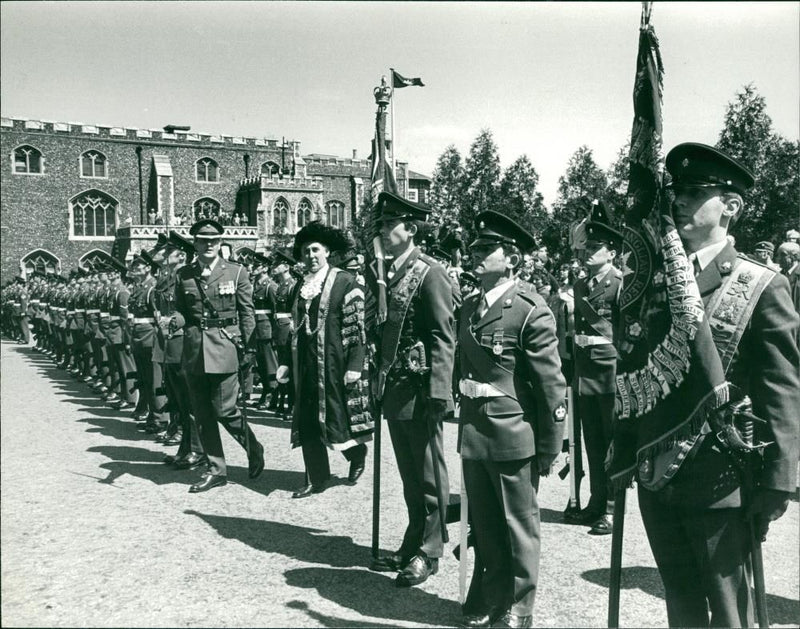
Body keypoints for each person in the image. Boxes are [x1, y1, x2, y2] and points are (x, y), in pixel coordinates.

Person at [636, 143, 799, 627]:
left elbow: (782, 388)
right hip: (658, 470)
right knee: (681, 605)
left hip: (722, 475)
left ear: (731, 206)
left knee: (730, 611)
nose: (679, 202)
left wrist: (778, 480)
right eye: (675, 193)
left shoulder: (762, 284)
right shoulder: (656, 280)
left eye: (694, 192)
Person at [457, 211, 566, 629]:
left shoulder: (528, 310)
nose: (476, 254)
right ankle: (493, 595)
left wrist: (548, 447)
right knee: (485, 526)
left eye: (487, 249)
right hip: (475, 432)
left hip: (513, 433)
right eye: (476, 248)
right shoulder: (470, 305)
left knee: (518, 526)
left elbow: (551, 387)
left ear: (512, 257)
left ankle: (520, 607)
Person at [370, 191, 456, 588]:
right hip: (396, 386)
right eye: (382, 224)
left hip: (422, 389)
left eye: (390, 225)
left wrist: (441, 391)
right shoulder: (387, 273)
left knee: (428, 472)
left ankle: (430, 548)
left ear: (411, 229)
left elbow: (443, 335)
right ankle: (414, 536)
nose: (383, 230)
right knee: (408, 473)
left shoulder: (429, 272)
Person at [171, 218, 264, 493]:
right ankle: (217, 469)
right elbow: (182, 310)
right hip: (194, 348)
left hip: (225, 345)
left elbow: (247, 313)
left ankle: (253, 446)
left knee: (224, 409)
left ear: (220, 242)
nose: (208, 244)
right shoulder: (184, 274)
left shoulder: (236, 273)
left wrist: (250, 348)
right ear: (195, 244)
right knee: (201, 413)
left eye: (213, 240)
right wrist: (173, 320)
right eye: (202, 240)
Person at [285, 221, 373, 498]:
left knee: (337, 418)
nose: (310, 255)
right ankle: (317, 478)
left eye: (315, 250)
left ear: (327, 252)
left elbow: (358, 328)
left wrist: (355, 365)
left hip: (335, 360)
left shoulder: (345, 281)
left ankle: (356, 453)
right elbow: (294, 328)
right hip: (306, 363)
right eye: (305, 251)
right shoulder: (300, 286)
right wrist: (286, 362)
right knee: (308, 419)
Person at [564, 199, 623, 535]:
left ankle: (613, 509)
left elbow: (625, 334)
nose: (587, 253)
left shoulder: (619, 283)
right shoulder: (581, 285)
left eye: (596, 247)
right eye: (586, 247)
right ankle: (596, 501)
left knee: (612, 446)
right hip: (585, 375)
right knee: (592, 443)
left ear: (611, 252)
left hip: (610, 374)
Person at [249, 253, 280, 410]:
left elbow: (276, 312)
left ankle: (272, 395)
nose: (254, 268)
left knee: (269, 365)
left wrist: (275, 335)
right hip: (257, 330)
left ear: (265, 268)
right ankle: (265, 393)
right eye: (253, 266)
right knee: (261, 365)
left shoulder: (270, 286)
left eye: (257, 266)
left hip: (266, 330)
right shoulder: (255, 285)